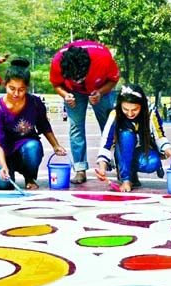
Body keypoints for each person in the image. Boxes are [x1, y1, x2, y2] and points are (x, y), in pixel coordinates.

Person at [0, 58, 67, 190]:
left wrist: (56, 145)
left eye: (21, 89)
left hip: (26, 148)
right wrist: (3, 166)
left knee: (33, 147)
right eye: (12, 88)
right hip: (4, 152)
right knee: (4, 185)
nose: (16, 94)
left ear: (27, 87)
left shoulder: (35, 103)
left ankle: (29, 177)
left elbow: (44, 126)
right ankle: (7, 168)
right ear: (5, 84)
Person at [49, 40, 119, 185]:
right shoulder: (57, 61)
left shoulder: (103, 58)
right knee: (76, 126)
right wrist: (65, 95)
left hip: (101, 89)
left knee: (109, 126)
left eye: (80, 76)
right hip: (73, 93)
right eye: (73, 77)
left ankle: (119, 165)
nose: (78, 80)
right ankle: (80, 169)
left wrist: (99, 92)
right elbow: (56, 84)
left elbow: (113, 80)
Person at [96, 84, 171, 193]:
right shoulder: (115, 114)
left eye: (135, 109)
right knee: (126, 135)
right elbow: (105, 143)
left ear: (142, 105)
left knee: (153, 162)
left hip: (140, 151)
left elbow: (159, 136)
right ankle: (125, 177)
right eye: (125, 109)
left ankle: (130, 170)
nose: (130, 113)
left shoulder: (151, 112)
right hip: (121, 151)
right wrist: (102, 169)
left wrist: (170, 152)